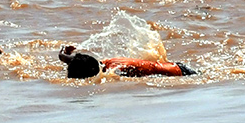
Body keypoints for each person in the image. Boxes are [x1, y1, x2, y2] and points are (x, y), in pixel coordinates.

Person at [59, 45, 197, 79]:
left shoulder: (117, 69)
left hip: (180, 72)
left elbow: (115, 75)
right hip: (174, 66)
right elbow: (63, 57)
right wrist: (64, 52)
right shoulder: (100, 63)